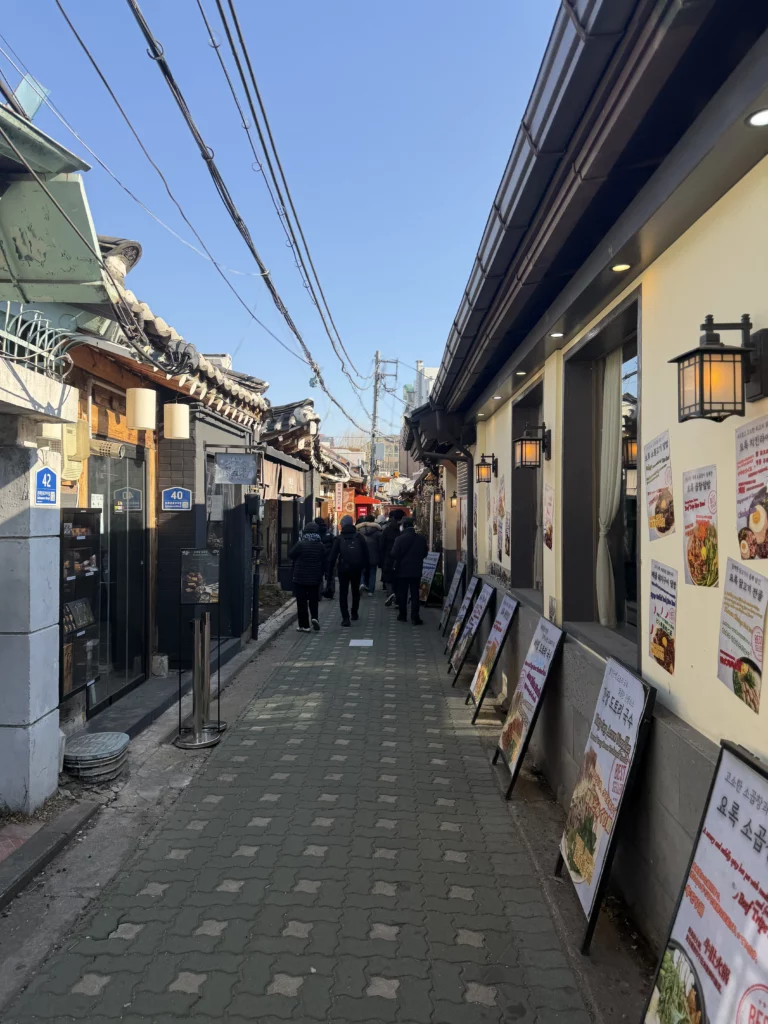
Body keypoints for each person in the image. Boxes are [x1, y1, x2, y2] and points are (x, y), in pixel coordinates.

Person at [328, 514, 370, 626]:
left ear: (342, 525)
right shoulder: (359, 537)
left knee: (343, 593)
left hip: (343, 569)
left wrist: (330, 572)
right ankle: (354, 612)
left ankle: (345, 618)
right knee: (355, 591)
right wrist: (365, 570)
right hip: (357, 569)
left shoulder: (339, 538)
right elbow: (366, 555)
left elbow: (332, 557)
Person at [288, 521, 327, 632]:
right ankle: (314, 618)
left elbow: (291, 554)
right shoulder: (320, 545)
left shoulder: (301, 544)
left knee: (302, 602)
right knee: (313, 600)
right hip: (315, 577)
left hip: (300, 577)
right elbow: (325, 560)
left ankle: (304, 625)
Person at [391, 517, 428, 625]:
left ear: (405, 526)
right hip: (416, 570)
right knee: (415, 594)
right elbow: (425, 554)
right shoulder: (421, 538)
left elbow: (394, 553)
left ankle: (402, 615)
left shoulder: (400, 539)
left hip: (402, 570)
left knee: (402, 593)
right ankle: (415, 617)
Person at [380, 508, 405, 606]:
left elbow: (381, 545)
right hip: (401, 559)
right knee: (399, 579)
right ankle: (397, 598)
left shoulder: (387, 530)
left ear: (393, 517)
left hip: (388, 557)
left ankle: (391, 594)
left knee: (388, 578)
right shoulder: (404, 530)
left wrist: (382, 559)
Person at [357, 514, 382, 594]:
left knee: (362, 571)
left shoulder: (359, 531)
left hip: (362, 555)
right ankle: (371, 591)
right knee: (372, 572)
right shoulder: (378, 532)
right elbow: (381, 545)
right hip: (374, 555)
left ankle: (362, 583)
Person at [314, 516, 334, 598]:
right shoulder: (329, 532)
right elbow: (334, 545)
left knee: (319, 576)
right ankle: (330, 592)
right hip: (329, 557)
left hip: (318, 557)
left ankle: (319, 593)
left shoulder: (315, 533)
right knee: (330, 575)